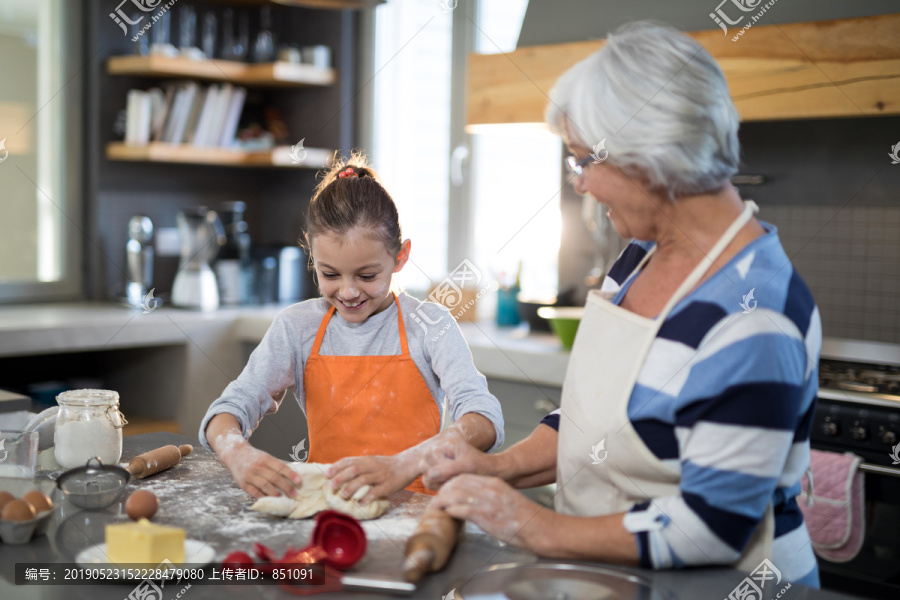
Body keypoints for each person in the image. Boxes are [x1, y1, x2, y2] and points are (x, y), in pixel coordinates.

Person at [421, 22, 821, 588]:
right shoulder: (636, 259)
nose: (578, 184)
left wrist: (533, 525)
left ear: (649, 159)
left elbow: (711, 526)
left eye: (584, 160)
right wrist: (495, 467)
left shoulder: (755, 315)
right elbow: (592, 423)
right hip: (611, 578)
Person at [200, 153, 504, 503]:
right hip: (328, 510)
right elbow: (227, 411)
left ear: (401, 257)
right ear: (312, 256)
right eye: (329, 274)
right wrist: (239, 455)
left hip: (417, 511)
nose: (347, 291)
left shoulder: (430, 327)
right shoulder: (298, 327)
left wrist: (406, 464)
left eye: (367, 276)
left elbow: (484, 418)